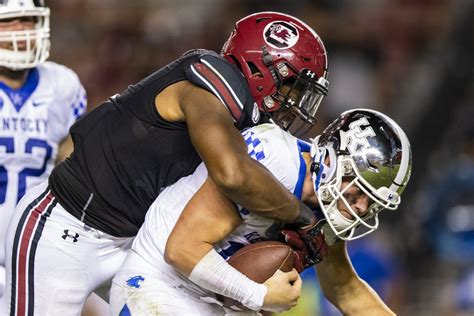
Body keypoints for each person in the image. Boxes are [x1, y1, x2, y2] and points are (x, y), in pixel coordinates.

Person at [1, 11, 329, 315]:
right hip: (66, 230)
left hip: (133, 242)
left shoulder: (242, 117)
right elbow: (232, 174)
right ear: (262, 70)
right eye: (292, 87)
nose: (295, 103)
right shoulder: (205, 90)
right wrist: (301, 216)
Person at [110, 108, 412, 315]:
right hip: (161, 284)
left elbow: (345, 289)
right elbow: (182, 250)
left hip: (219, 303)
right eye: (358, 193)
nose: (359, 208)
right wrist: (260, 296)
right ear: (333, 161)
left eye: (370, 203)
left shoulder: (327, 206)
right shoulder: (275, 159)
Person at [0, 0, 86, 299]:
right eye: (10, 21)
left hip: (37, 239)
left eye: (27, 20)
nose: (20, 31)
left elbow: (71, 159)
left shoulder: (63, 85)